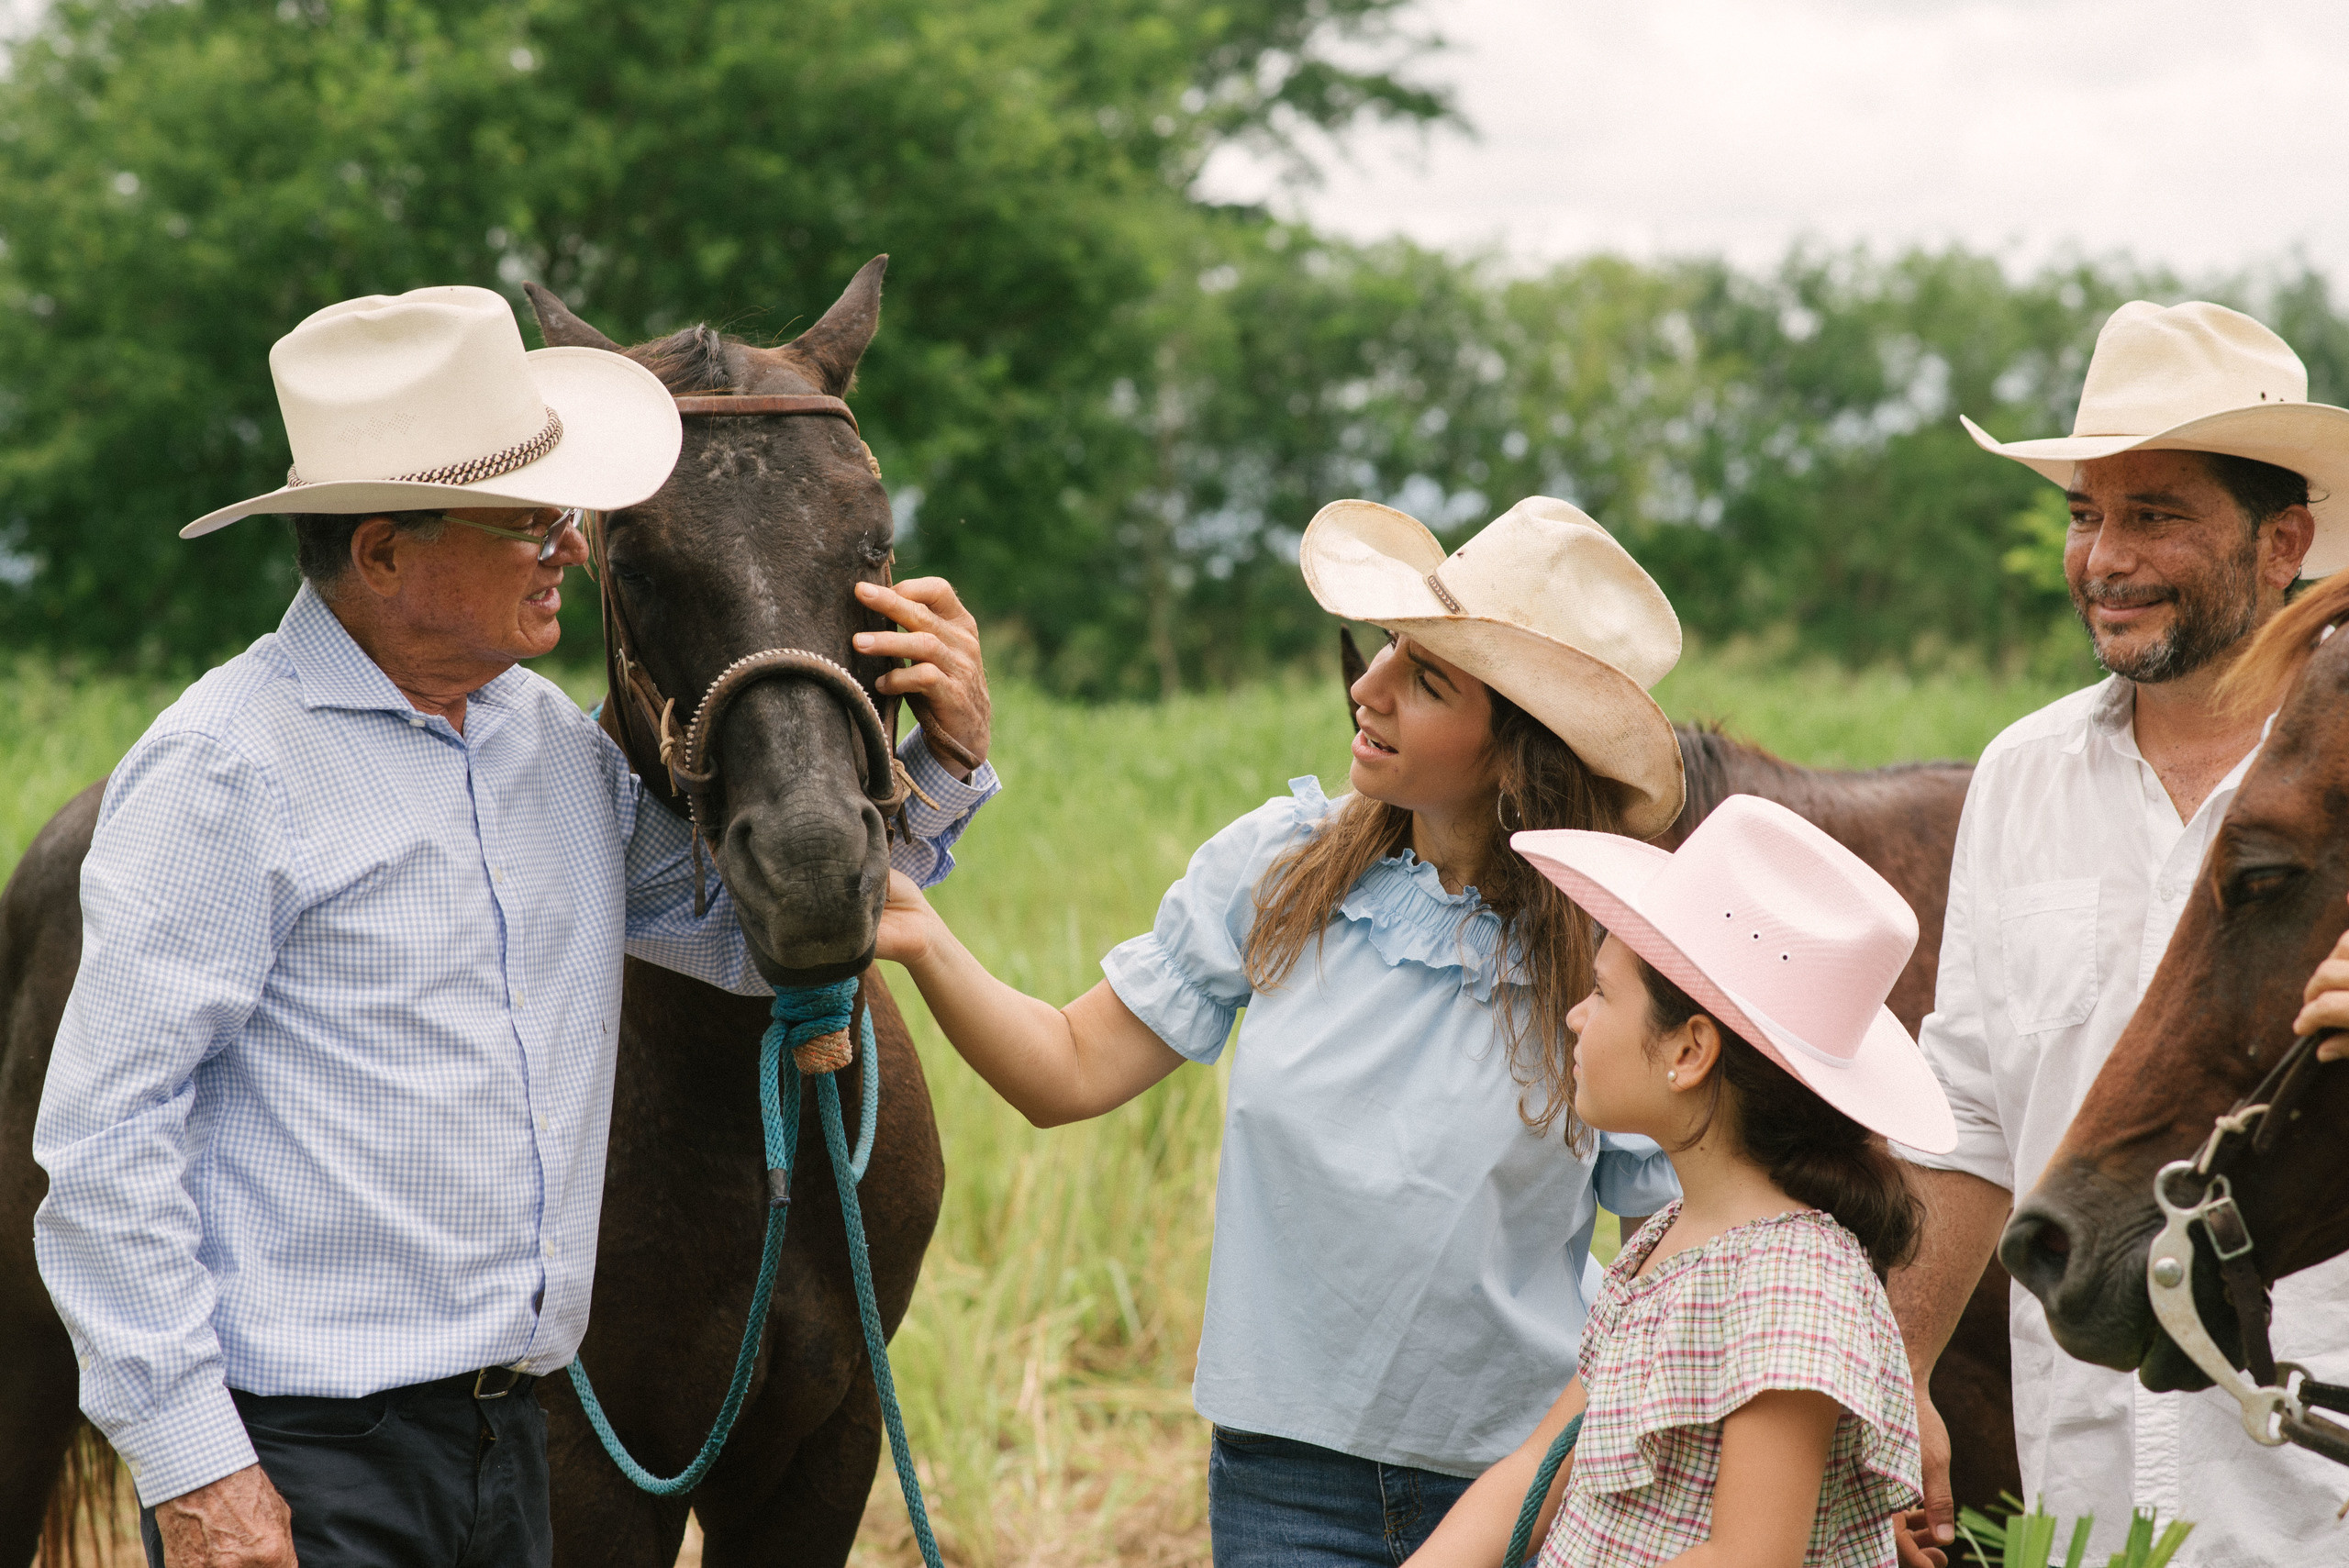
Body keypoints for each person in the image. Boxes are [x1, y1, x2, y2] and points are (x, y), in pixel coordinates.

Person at [31, 286, 999, 1568]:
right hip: (306, 1457)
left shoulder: (537, 745)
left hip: (503, 1445)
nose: (569, 545)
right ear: (381, 554)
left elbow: (733, 931)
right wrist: (200, 1468)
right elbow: (105, 1146)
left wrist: (939, 767)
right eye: (525, 519)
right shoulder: (225, 770)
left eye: (566, 514)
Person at [878, 495, 1687, 1565]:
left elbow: (1676, 1254)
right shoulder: (1282, 868)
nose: (1368, 685)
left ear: (1517, 753)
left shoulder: (1612, 956)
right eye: (1390, 648)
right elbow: (1066, 1068)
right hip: (1282, 1484)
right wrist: (924, 935)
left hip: (1522, 1484)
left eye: (1427, 678)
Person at [1887, 299, 2349, 1566]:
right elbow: (1971, 1116)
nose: (2104, 557)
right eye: (2087, 513)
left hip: (2320, 1502)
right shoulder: (2020, 774)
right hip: (2089, 1500)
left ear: (2284, 541)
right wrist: (1899, 1378)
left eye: (2155, 514)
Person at [1404, 794, 1955, 1568]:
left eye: (1601, 991)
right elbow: (1538, 1468)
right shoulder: (1668, 1243)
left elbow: (1750, 1555)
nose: (1574, 1016)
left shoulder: (1792, 1279)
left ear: (1690, 1051)